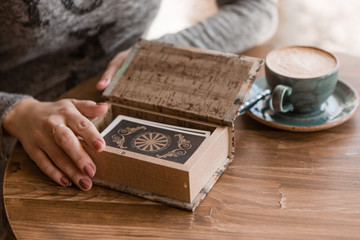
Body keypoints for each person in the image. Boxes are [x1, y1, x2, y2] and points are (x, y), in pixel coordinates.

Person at [0, 0, 278, 237]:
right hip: (16, 136)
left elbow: (255, 8)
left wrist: (162, 50)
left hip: (121, 96)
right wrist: (14, 110)